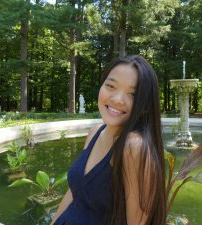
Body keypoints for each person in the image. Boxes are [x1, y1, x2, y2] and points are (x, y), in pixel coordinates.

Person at [51, 55, 166, 225]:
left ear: (145, 105)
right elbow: (74, 193)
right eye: (110, 86)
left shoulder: (134, 147)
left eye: (132, 94)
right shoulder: (95, 132)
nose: (118, 99)